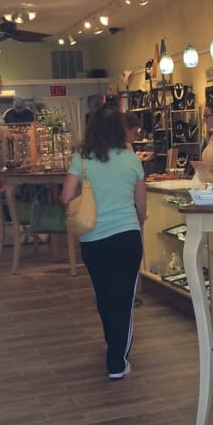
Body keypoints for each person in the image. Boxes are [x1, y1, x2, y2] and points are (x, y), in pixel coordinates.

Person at [62, 105, 146, 379]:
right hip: (126, 235)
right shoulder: (132, 159)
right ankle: (117, 361)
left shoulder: (82, 159)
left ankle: (113, 346)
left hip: (93, 238)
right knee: (123, 299)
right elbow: (141, 204)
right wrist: (139, 224)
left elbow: (66, 197)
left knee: (104, 297)